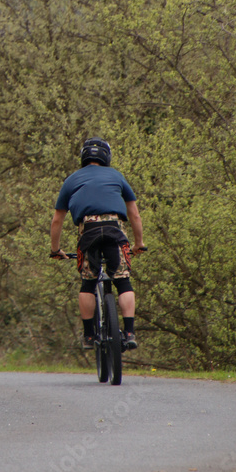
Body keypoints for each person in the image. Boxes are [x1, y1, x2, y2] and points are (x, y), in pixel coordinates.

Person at [49, 137, 145, 350]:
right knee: (123, 281)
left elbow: (57, 220)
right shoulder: (117, 176)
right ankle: (129, 332)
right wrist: (138, 243)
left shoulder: (72, 179)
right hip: (115, 230)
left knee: (88, 283)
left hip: (88, 232)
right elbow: (135, 215)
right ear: (106, 157)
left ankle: (89, 336)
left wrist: (55, 250)